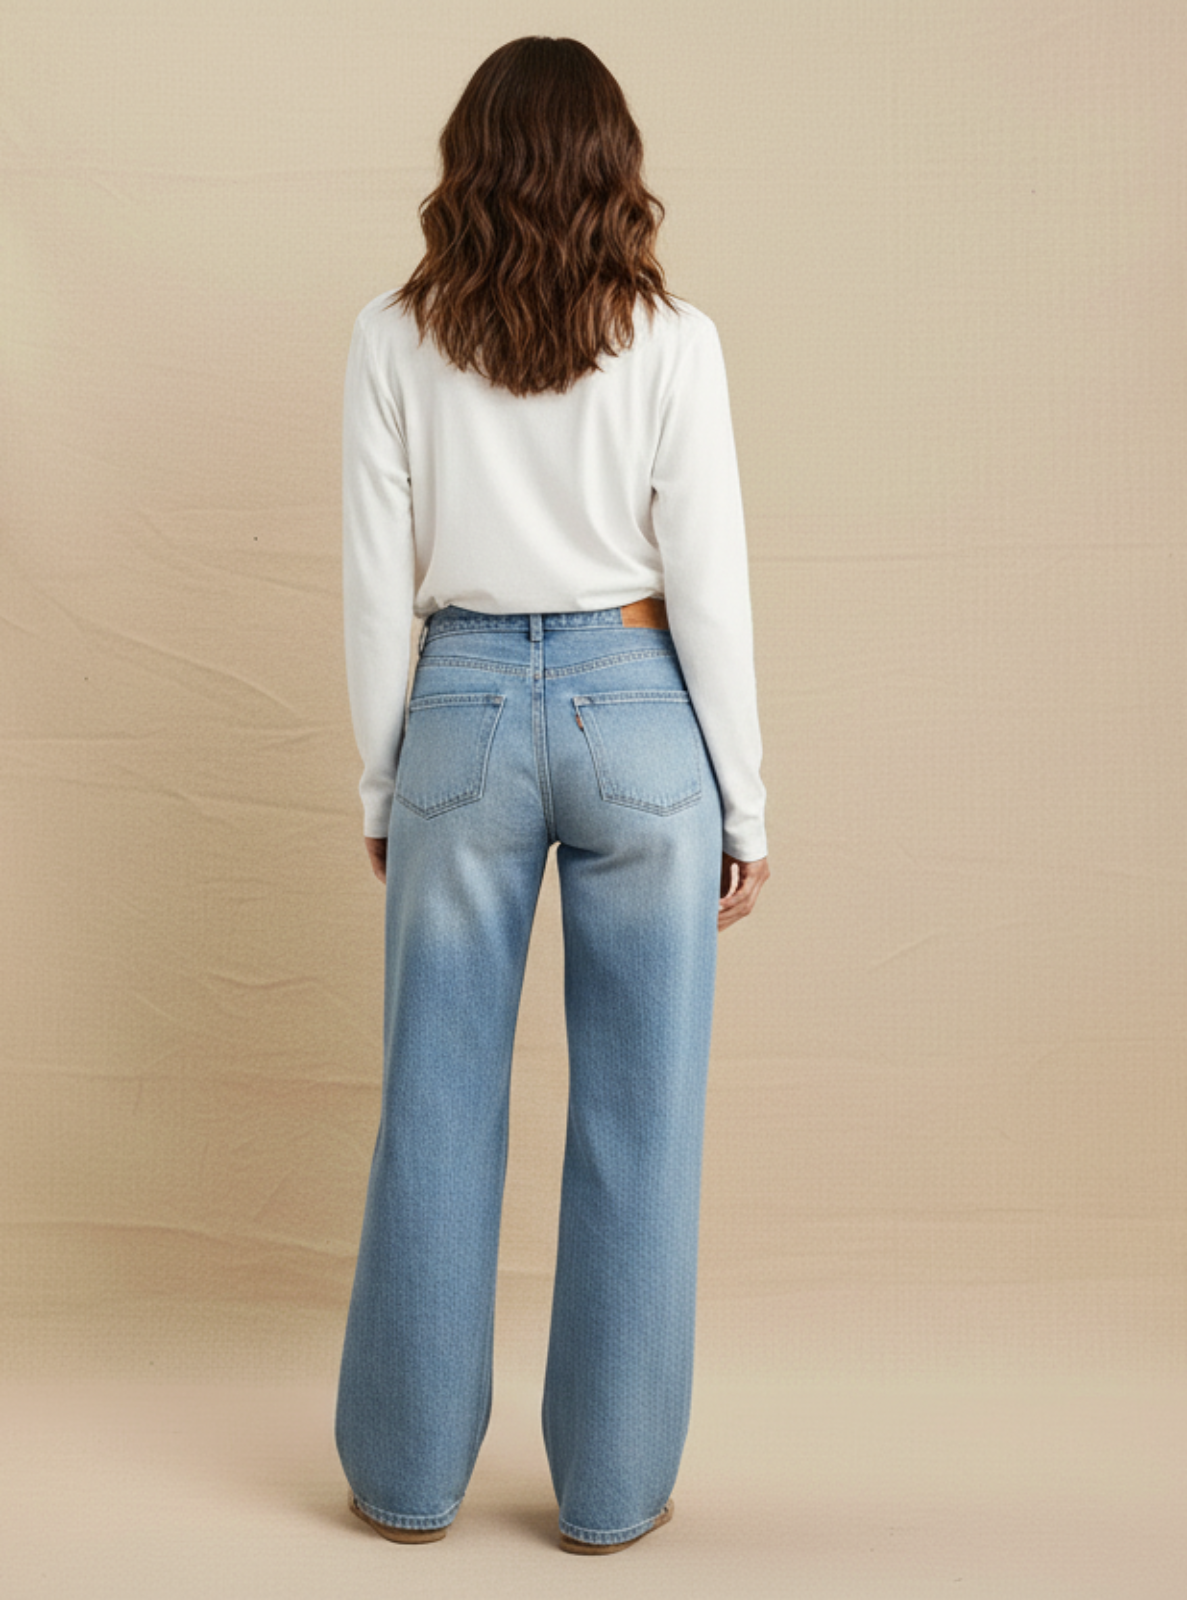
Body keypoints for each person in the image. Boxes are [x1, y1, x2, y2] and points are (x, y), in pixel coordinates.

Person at [334, 34, 771, 1556]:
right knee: (643, 1120)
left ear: (466, 169)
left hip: (455, 708)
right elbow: (706, 582)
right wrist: (747, 799)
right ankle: (607, 1492)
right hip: (641, 711)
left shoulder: (391, 340)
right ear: (612, 168)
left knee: (434, 1110)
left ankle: (404, 1481)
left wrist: (388, 783)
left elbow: (370, 588)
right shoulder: (674, 340)